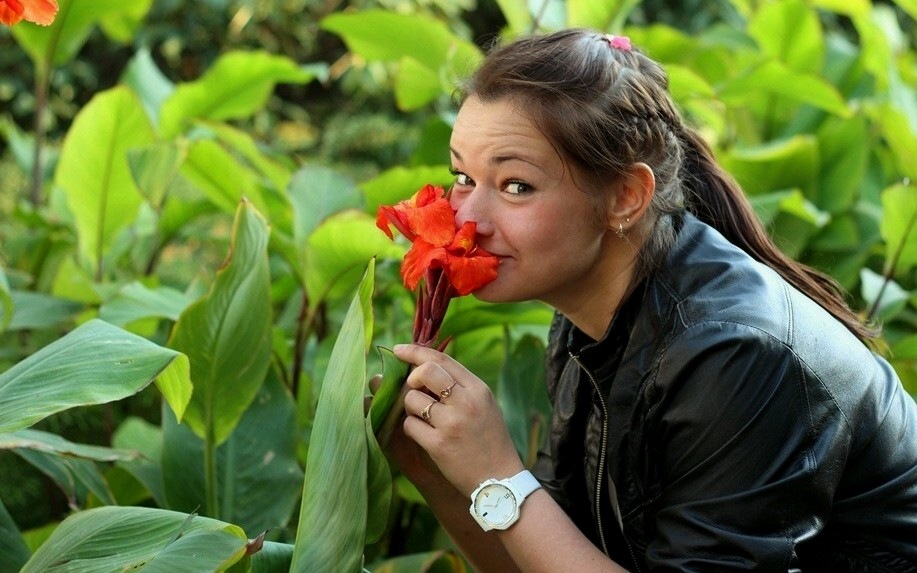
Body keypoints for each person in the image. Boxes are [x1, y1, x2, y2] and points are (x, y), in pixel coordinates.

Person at [387, 28, 917, 571]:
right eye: (462, 177)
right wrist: (435, 470)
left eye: (515, 185)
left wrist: (497, 474)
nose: (467, 218)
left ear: (626, 197)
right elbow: (542, 561)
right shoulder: (587, 324)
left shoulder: (732, 353)